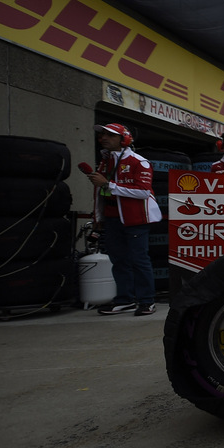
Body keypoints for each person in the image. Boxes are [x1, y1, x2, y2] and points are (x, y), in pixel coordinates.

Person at [87, 123, 162, 316]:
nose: (104, 138)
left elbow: (143, 192)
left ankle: (147, 301)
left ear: (124, 139)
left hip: (136, 219)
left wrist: (109, 185)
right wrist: (98, 216)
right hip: (112, 219)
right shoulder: (105, 161)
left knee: (139, 260)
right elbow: (100, 192)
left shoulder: (139, 161)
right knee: (118, 260)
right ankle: (125, 300)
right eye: (102, 135)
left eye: (110, 135)